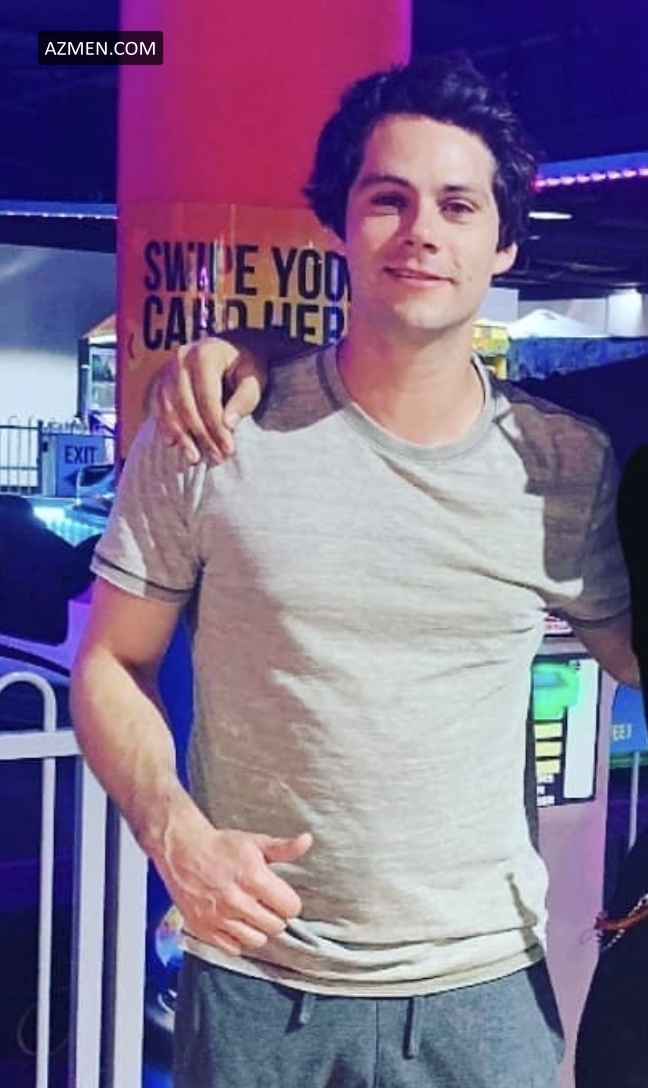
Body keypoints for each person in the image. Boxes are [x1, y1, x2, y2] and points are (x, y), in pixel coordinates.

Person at [71, 55, 639, 1088]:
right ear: (338, 222)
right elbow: (111, 660)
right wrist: (175, 836)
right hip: (257, 977)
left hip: (483, 990)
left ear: (503, 242)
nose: (422, 230)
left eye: (458, 206)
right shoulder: (215, 429)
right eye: (388, 199)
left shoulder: (567, 463)